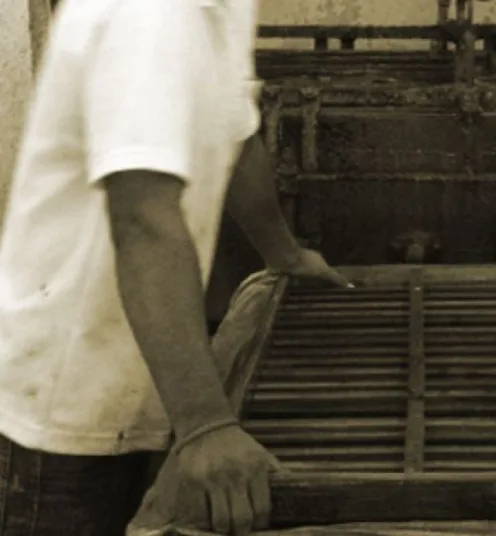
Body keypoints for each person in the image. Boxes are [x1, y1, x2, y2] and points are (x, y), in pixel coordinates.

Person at [0, 0, 349, 534]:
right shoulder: (147, 14)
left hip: (138, 376)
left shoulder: (216, 9)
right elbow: (143, 217)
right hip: (64, 409)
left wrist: (283, 253)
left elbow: (236, 136)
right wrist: (205, 425)